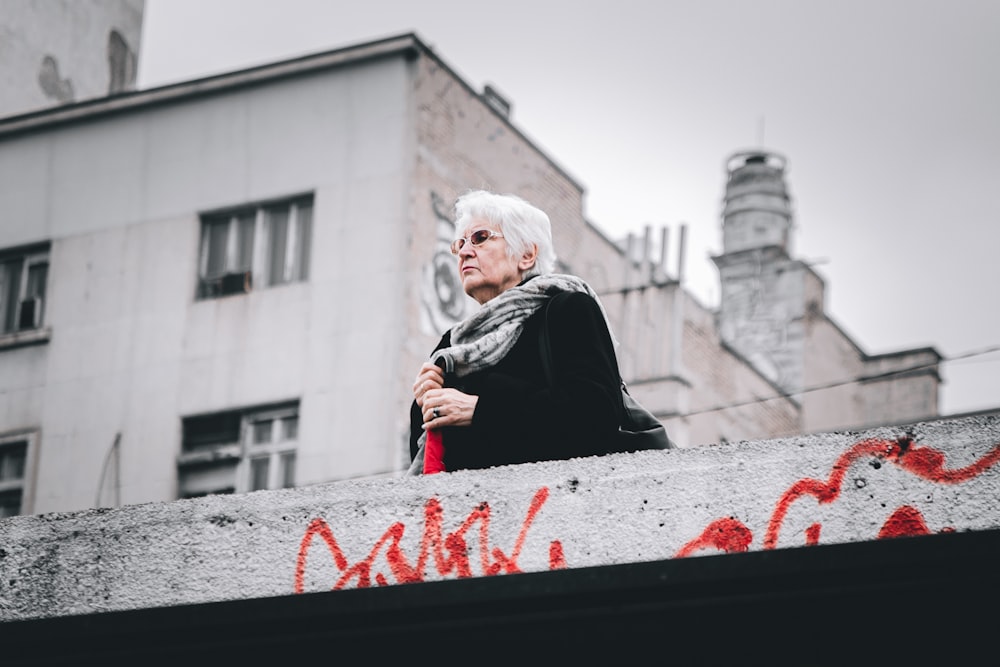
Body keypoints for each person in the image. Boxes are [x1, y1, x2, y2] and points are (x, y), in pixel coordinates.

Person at [408, 189, 626, 474]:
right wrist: (423, 404)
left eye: (480, 238)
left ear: (526, 254)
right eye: (459, 243)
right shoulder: (453, 344)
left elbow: (595, 417)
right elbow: (431, 456)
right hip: (471, 513)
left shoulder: (566, 310)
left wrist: (480, 411)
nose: (464, 252)